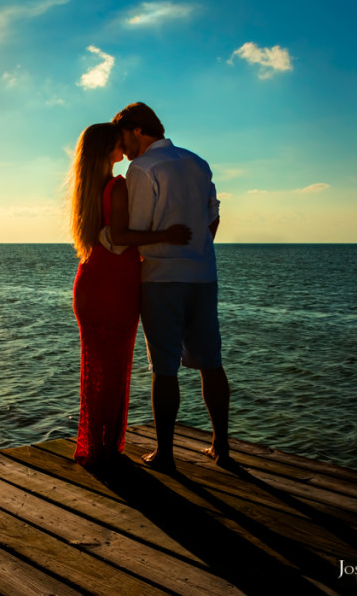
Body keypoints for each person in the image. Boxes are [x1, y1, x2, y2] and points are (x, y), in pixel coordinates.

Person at [112, 102, 231, 469]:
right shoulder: (198, 162)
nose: (123, 151)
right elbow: (213, 219)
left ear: (136, 130)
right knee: (211, 362)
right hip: (202, 274)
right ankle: (221, 447)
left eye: (123, 139)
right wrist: (197, 249)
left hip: (162, 277)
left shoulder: (143, 168)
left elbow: (138, 230)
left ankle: (165, 453)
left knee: (164, 368)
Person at [67, 123, 191, 469]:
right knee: (114, 369)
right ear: (110, 146)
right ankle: (105, 448)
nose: (124, 144)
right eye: (118, 140)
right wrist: (166, 233)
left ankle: (96, 445)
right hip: (115, 287)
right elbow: (121, 235)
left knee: (96, 370)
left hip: (90, 284)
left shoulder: (86, 189)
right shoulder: (116, 185)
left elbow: (109, 235)